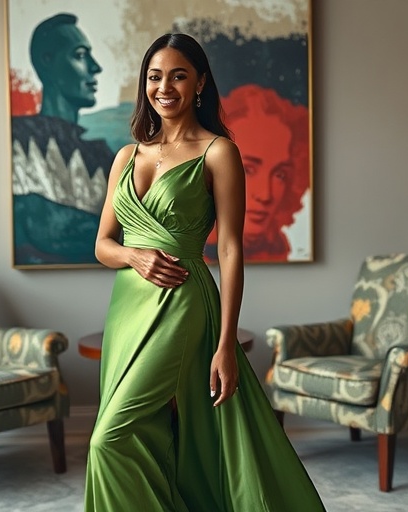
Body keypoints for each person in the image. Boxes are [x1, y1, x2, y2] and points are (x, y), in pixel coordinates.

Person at [84, 33, 325, 511]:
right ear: (144, 85)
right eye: (155, 76)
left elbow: (231, 250)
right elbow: (102, 245)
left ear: (199, 83)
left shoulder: (218, 152)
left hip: (182, 305)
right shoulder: (126, 156)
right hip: (127, 311)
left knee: (106, 439)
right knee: (143, 433)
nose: (164, 86)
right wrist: (136, 256)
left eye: (178, 75)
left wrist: (226, 344)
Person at [11, 13, 114, 265]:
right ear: (47, 62)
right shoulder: (18, 140)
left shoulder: (103, 158)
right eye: (80, 55)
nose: (95, 67)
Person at [204, 84, 311, 263]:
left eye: (280, 175)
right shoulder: (188, 252)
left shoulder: (281, 248)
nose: (265, 195)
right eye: (248, 169)